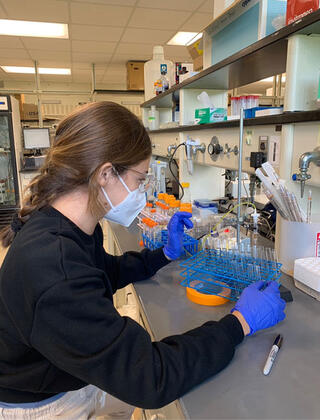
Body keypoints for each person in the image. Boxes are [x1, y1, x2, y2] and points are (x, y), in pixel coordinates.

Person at [0, 102, 286, 420]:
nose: (142, 192)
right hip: (42, 402)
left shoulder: (67, 224)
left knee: (125, 401)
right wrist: (240, 322)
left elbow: (100, 273)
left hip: (64, 368)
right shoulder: (54, 266)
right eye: (139, 180)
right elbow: (151, 378)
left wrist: (162, 256)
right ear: (105, 174)